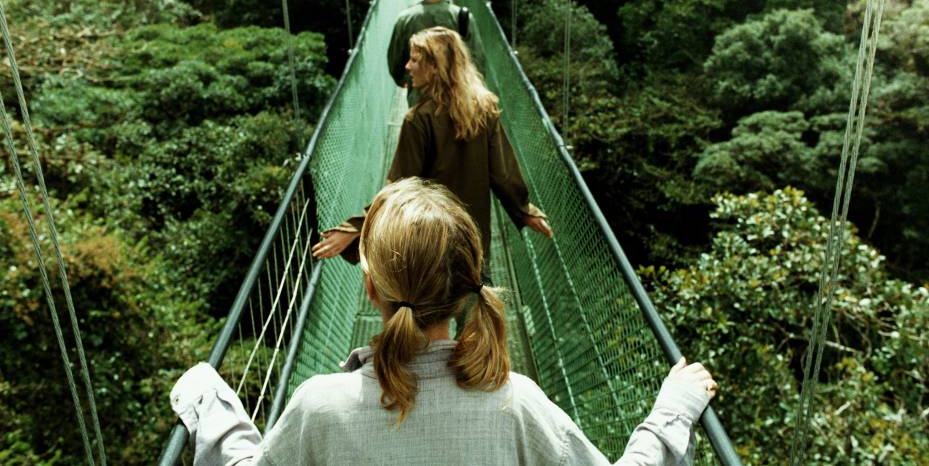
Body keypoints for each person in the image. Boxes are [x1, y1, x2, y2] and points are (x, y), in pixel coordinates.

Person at [170, 178, 719, 465]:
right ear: (467, 288)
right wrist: (673, 412)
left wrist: (209, 401)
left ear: (369, 286)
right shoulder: (517, 405)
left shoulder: (318, 407)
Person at [315, 26, 549, 266]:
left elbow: (399, 190)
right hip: (473, 243)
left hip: (431, 246)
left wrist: (355, 228)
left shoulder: (418, 120)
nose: (407, 67)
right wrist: (524, 211)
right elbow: (503, 174)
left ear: (435, 67)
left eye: (415, 60)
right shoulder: (484, 110)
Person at [388, 0, 485, 106]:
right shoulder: (463, 18)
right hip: (456, 100)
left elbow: (395, 61)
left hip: (419, 100)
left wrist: (402, 79)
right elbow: (477, 60)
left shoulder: (405, 19)